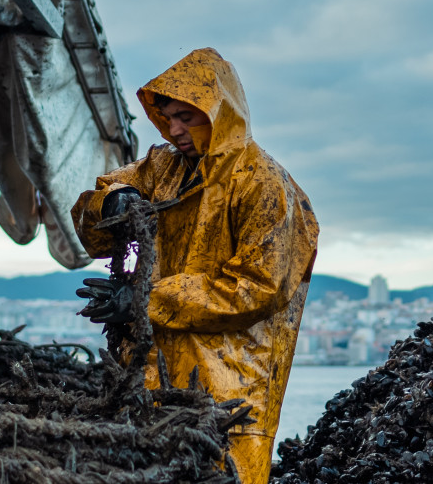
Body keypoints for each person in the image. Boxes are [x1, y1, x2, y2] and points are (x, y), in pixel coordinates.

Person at [72, 48, 318, 484]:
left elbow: (259, 286)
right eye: (168, 118)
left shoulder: (264, 184)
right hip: (150, 374)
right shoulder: (162, 165)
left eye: (187, 116)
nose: (175, 129)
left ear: (221, 111)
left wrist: (145, 299)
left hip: (230, 383)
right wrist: (112, 200)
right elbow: (100, 205)